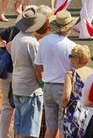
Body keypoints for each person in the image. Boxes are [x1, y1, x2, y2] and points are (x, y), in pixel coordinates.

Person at [35, 10, 76, 138]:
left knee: (51, 126)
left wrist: (41, 82)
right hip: (63, 88)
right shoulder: (71, 45)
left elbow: (37, 65)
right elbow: (74, 69)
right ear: (67, 28)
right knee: (63, 125)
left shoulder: (44, 41)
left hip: (47, 86)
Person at [11, 6, 48, 138]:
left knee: (19, 125)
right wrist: (42, 85)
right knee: (30, 127)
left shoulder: (16, 38)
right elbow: (37, 68)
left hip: (17, 85)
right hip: (30, 88)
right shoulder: (32, 43)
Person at [61, 44, 93, 138]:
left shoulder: (70, 74)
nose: (69, 58)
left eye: (70, 56)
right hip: (89, 111)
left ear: (76, 59)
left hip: (75, 111)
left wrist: (63, 107)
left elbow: (66, 96)